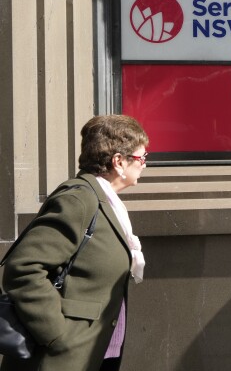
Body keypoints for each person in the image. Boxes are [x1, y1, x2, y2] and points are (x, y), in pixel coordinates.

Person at [1, 115, 149, 371]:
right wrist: (56, 335)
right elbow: (23, 269)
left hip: (94, 352)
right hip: (62, 358)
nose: (144, 165)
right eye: (141, 158)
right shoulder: (80, 200)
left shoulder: (107, 203)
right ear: (118, 162)